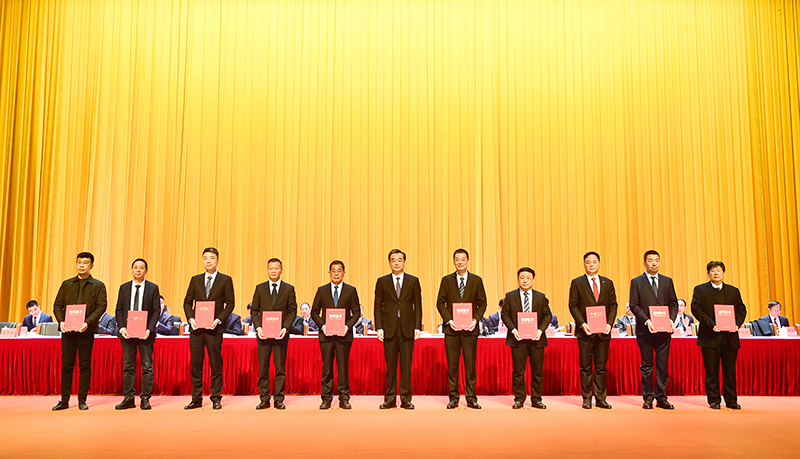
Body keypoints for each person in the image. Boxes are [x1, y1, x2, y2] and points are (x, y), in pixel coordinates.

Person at [52, 252, 108, 411]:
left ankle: (82, 400)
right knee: (67, 366)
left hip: (86, 331)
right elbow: (57, 305)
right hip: (68, 331)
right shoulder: (67, 284)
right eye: (79, 262)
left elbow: (101, 306)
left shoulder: (98, 285)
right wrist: (61, 321)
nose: (81, 265)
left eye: (85, 263)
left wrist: (87, 322)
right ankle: (64, 400)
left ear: (92, 265)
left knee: (84, 366)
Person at [183, 247, 235, 410]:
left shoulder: (225, 280)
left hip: (214, 329)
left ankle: (216, 397)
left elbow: (230, 303)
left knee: (215, 364)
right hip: (197, 329)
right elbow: (187, 302)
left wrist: (219, 320)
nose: (208, 261)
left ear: (217, 260)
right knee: (196, 365)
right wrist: (191, 319)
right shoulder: (195, 280)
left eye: (212, 258)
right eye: (205, 258)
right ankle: (196, 398)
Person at [691, 261, 747, 410]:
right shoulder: (700, 290)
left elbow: (741, 310)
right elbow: (696, 309)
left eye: (719, 270)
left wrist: (737, 324)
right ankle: (714, 400)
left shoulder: (733, 291)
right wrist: (711, 324)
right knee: (711, 371)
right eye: (713, 270)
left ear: (724, 273)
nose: (716, 273)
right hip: (710, 337)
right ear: (708, 273)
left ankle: (731, 400)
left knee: (730, 371)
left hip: (730, 338)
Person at [436, 248, 487, 409]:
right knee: (452, 366)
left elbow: (482, 303)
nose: (460, 262)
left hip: (470, 330)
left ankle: (471, 398)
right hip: (452, 330)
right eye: (457, 259)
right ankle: (454, 398)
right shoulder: (447, 280)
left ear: (468, 261)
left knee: (470, 366)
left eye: (463, 259)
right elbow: (440, 302)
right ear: (454, 262)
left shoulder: (476, 280)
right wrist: (449, 319)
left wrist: (475, 319)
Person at [628, 250, 679, 410]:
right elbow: (634, 305)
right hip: (645, 330)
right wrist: (647, 320)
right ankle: (648, 397)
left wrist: (671, 320)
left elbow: (674, 303)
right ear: (645, 262)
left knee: (662, 366)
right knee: (647, 365)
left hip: (664, 331)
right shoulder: (637, 282)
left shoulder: (667, 281)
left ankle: (662, 398)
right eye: (650, 260)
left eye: (657, 260)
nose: (654, 263)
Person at [568, 251, 618, 409]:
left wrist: (609, 323)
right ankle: (587, 398)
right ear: (584, 264)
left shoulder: (607, 283)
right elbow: (573, 305)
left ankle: (601, 398)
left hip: (603, 331)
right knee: (586, 367)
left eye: (594, 262)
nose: (591, 264)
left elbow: (613, 305)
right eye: (588, 262)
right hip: (585, 332)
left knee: (601, 367)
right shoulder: (577, 283)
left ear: (599, 264)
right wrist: (582, 323)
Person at [374, 249, 423, 410]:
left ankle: (406, 399)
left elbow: (418, 306)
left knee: (406, 366)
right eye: (393, 260)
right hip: (389, 329)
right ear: (389, 263)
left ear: (404, 262)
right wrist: (379, 327)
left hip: (408, 329)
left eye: (399, 260)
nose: (396, 263)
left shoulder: (413, 281)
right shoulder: (382, 281)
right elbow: (377, 306)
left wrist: (417, 326)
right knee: (390, 367)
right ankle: (389, 399)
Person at [311, 260, 360, 410]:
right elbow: (314, 312)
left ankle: (344, 397)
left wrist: (347, 326)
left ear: (344, 273)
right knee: (327, 367)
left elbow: (356, 312)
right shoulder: (322, 290)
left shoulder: (351, 290)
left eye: (339, 271)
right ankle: (326, 398)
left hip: (344, 335)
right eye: (334, 270)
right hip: (326, 335)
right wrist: (323, 326)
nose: (336, 273)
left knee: (343, 367)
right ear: (329, 273)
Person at [501, 267, 552, 409]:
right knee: (518, 371)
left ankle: (536, 399)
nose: (525, 280)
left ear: (533, 280)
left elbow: (548, 315)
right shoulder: (510, 296)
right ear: (518, 279)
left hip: (537, 339)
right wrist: (513, 329)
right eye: (522, 277)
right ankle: (519, 399)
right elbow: (505, 315)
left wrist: (540, 330)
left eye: (528, 278)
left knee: (537, 371)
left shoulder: (540, 297)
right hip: (517, 339)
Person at [114, 258, 161, 410]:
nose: (138, 270)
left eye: (141, 268)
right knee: (128, 366)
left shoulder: (153, 288)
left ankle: (145, 398)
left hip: (145, 334)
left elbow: (156, 311)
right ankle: (128, 398)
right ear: (132, 269)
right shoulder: (124, 288)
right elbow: (119, 310)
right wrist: (122, 328)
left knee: (147, 367)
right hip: (127, 333)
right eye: (135, 267)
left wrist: (149, 329)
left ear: (146, 270)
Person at [251, 258, 297, 410]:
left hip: (280, 335)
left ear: (281, 270)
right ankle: (264, 399)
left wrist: (285, 327)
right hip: (263, 335)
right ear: (267, 270)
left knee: (280, 368)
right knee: (263, 368)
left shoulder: (288, 289)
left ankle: (279, 399)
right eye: (271, 268)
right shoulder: (260, 288)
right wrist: (258, 327)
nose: (273, 271)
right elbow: (254, 310)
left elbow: (292, 311)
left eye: (276, 268)